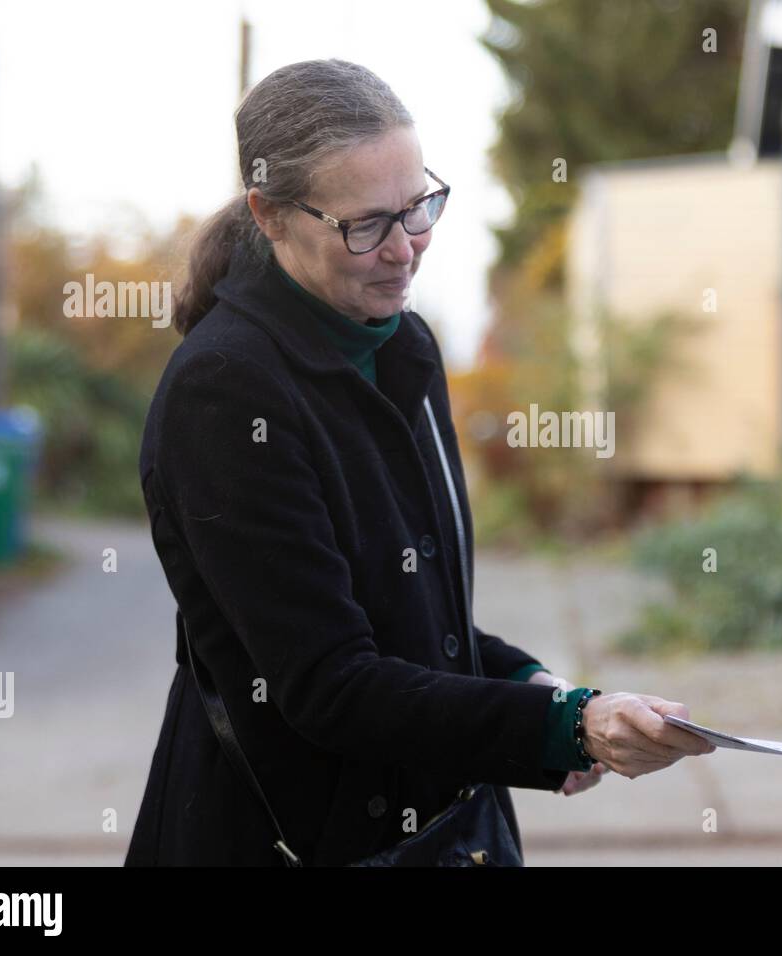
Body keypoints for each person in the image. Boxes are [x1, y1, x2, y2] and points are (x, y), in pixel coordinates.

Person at [125, 59, 713, 867]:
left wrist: (538, 692)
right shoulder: (226, 394)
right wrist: (562, 729)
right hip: (281, 840)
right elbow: (330, 683)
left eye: (418, 207)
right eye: (366, 225)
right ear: (270, 214)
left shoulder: (405, 346)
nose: (406, 249)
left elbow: (413, 614)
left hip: (440, 831)